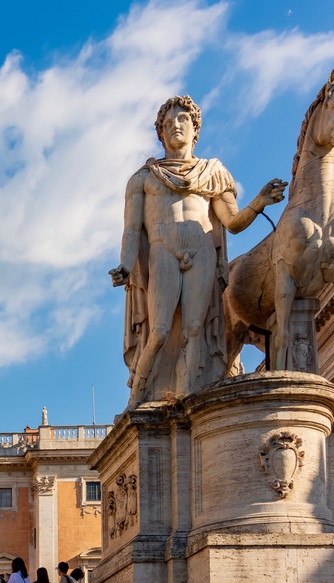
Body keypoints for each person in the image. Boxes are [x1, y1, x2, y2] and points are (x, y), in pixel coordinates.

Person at [110, 95, 286, 408]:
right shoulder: (143, 179)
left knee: (195, 330)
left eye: (182, 121)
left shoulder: (213, 174)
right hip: (163, 251)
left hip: (202, 251)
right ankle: (136, 400)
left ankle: (188, 401)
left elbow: (232, 222)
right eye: (167, 124)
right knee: (160, 330)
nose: (174, 126)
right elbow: (132, 230)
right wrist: (125, 265)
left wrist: (258, 202)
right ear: (160, 134)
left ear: (195, 130)